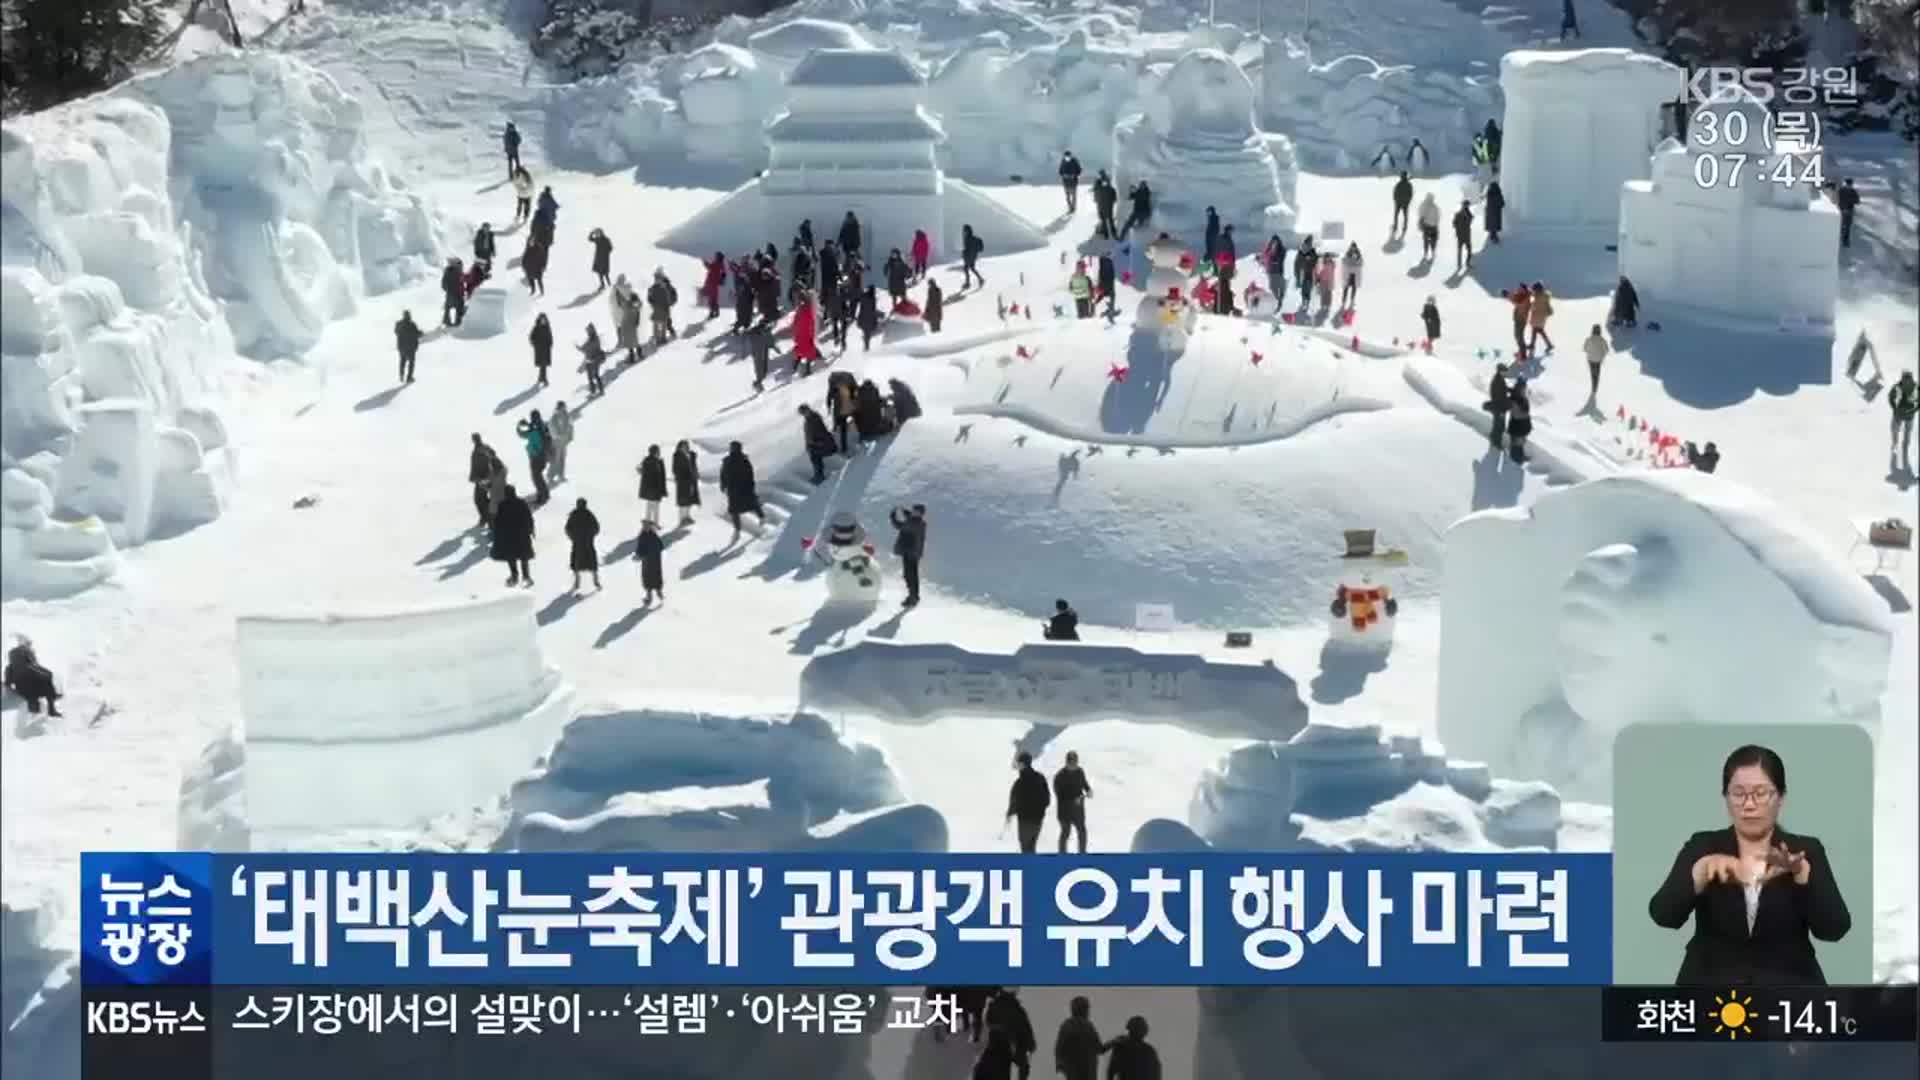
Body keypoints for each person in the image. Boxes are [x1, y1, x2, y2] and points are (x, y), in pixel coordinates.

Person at [1647, 745, 1851, 985]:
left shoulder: (1805, 850)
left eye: (1761, 793)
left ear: (1781, 798)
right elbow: (1663, 915)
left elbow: (1834, 930)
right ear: (1726, 797)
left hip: (1790, 996)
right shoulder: (1703, 846)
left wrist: (1802, 874)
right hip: (1710, 992)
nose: (1749, 804)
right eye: (1738, 793)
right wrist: (1701, 871)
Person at [983, 988, 1036, 1078]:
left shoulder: (993, 1006)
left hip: (996, 1043)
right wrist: (1031, 1045)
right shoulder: (1018, 1010)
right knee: (1023, 1065)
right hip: (1013, 1044)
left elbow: (988, 1021)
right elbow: (1025, 1029)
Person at [716, 441, 765, 537]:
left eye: (734, 447)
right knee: (736, 509)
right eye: (732, 447)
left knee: (751, 504)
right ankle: (737, 530)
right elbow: (723, 474)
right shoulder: (728, 460)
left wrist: (751, 486)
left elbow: (750, 475)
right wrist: (723, 485)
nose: (732, 449)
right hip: (733, 488)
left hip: (743, 488)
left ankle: (762, 518)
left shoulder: (743, 460)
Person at [4, 636, 61, 717]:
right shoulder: (29, 663)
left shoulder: (9, 668)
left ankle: (38, 709)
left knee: (33, 702)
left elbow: (8, 683)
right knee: (47, 683)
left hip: (22, 692)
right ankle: (51, 709)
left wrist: (14, 691)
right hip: (34, 690)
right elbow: (46, 674)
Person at [491, 484, 535, 587]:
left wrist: (497, 535)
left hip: (508, 536)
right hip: (522, 535)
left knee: (511, 557)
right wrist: (530, 529)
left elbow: (498, 522)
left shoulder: (502, 505)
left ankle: (514, 575)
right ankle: (526, 576)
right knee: (523, 556)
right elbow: (528, 517)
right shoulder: (521, 503)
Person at [1007, 750, 1050, 853]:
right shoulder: (1040, 777)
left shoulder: (1020, 782)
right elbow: (1047, 798)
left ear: (1022, 764)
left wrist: (1010, 813)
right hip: (1038, 819)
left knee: (1025, 848)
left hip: (1025, 819)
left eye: (1019, 763)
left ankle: (1029, 868)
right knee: (1032, 846)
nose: (1017, 765)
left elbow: (1015, 800)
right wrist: (1041, 810)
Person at [1053, 996, 1103, 1080]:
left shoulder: (1070, 1025)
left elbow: (1059, 1048)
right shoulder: (1086, 1026)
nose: (1088, 1011)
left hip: (1081, 1071)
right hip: (1081, 1071)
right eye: (1086, 1008)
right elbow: (1100, 1049)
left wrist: (1059, 1062)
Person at [1053, 750, 1092, 854]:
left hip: (1078, 810)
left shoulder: (1080, 772)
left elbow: (1084, 784)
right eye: (1071, 763)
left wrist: (1088, 790)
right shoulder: (1060, 776)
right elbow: (1060, 795)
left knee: (1082, 831)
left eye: (1075, 762)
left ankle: (1082, 853)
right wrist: (1074, 800)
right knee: (1066, 832)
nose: (1074, 765)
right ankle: (1062, 855)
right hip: (1064, 810)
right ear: (1067, 763)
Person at [889, 503, 926, 607]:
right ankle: (914, 596)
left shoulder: (916, 523)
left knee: (910, 575)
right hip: (910, 551)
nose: (912, 511)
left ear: (919, 513)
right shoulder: (917, 521)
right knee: (910, 574)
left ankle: (912, 597)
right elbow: (909, 517)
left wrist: (893, 515)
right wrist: (903, 510)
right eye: (913, 510)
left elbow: (899, 525)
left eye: (915, 510)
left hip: (912, 552)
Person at [564, 497, 601, 591]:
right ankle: (595, 581)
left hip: (578, 543)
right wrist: (590, 536)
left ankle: (577, 582)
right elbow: (596, 528)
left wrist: (573, 537)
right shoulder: (589, 515)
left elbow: (567, 529)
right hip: (588, 543)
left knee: (577, 563)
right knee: (592, 562)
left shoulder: (574, 514)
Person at [516, 410, 551, 505]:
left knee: (536, 478)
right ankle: (545, 494)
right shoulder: (542, 426)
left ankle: (542, 496)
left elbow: (522, 434)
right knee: (538, 477)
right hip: (543, 456)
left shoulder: (534, 430)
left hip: (536, 457)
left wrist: (518, 426)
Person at [799, 404, 838, 484]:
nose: (803, 415)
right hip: (816, 443)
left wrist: (815, 442)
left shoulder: (813, 419)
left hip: (819, 443)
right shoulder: (811, 418)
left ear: (807, 410)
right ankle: (819, 475)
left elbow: (818, 432)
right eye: (802, 413)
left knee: (816, 458)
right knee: (815, 459)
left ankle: (819, 476)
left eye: (803, 412)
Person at [468, 433, 497, 527]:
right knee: (482, 499)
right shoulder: (485, 447)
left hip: (483, 479)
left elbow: (475, 467)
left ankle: (487, 518)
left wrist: (474, 478)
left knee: (479, 500)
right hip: (488, 477)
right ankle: (486, 517)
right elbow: (493, 455)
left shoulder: (477, 452)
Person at [635, 518, 666, 605]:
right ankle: (651, 595)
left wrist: (640, 554)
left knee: (652, 577)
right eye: (644, 526)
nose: (645, 527)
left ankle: (657, 594)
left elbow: (660, 546)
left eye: (646, 525)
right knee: (650, 577)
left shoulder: (649, 536)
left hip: (652, 560)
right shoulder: (647, 535)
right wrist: (639, 554)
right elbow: (640, 547)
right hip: (651, 560)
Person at [1891, 370, 1918, 466]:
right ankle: (1896, 443)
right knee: (1896, 429)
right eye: (1905, 378)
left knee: (1906, 430)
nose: (1906, 381)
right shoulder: (1897, 386)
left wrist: (1913, 410)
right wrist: (1894, 408)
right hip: (1900, 413)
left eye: (1908, 378)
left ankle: (1904, 444)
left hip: (1907, 414)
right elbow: (1890, 397)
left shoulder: (1916, 387)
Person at [637, 444, 667, 526]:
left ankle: (650, 521)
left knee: (651, 505)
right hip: (652, 488)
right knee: (653, 505)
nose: (659, 453)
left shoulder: (655, 461)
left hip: (653, 488)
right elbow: (644, 472)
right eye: (657, 451)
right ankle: (652, 522)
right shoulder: (651, 461)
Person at [647, 270, 678, 346]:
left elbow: (672, 296)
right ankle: (658, 338)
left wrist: (670, 303)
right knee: (657, 323)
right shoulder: (653, 287)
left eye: (658, 278)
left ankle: (663, 337)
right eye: (656, 278)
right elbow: (649, 297)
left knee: (664, 322)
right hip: (657, 308)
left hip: (664, 308)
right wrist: (652, 303)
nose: (656, 279)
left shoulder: (666, 287)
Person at [1506, 380, 1533, 464]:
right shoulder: (1515, 399)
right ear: (1519, 388)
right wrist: (1525, 416)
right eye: (1523, 388)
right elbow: (1517, 414)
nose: (1524, 389)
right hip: (1517, 426)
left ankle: (1520, 457)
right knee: (1516, 445)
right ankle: (1516, 461)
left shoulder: (1520, 397)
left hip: (1521, 426)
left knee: (1520, 444)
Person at [1486, 362, 1512, 450]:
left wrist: (1511, 390)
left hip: (1500, 407)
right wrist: (1501, 411)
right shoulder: (1498, 381)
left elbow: (1504, 389)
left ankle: (1493, 437)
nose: (1506, 373)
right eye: (1505, 371)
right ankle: (1496, 442)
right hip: (1499, 407)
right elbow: (1498, 397)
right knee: (1499, 426)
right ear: (1500, 371)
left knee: (1498, 425)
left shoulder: (1499, 379)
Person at [547, 400, 573, 485]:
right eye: (562, 407)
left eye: (564, 407)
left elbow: (570, 427)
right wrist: (556, 436)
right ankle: (550, 477)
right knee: (555, 460)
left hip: (564, 442)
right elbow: (551, 428)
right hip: (556, 442)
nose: (563, 409)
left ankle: (561, 475)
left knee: (562, 459)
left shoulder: (567, 416)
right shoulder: (554, 417)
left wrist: (570, 436)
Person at [578, 324, 607, 397]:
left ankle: (594, 391)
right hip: (594, 360)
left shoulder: (592, 339)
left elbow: (585, 348)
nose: (587, 332)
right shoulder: (594, 338)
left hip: (592, 360)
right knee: (595, 376)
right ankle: (600, 390)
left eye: (588, 330)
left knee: (592, 377)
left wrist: (579, 348)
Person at [393, 309, 422, 383]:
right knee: (411, 363)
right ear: (409, 316)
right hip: (411, 347)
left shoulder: (398, 324)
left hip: (401, 347)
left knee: (402, 361)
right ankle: (409, 377)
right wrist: (420, 333)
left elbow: (396, 332)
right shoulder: (412, 324)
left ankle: (401, 375)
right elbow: (416, 334)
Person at [1528, 281, 1556, 354]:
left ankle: (1534, 345)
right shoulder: (1542, 296)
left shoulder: (1540, 297)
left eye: (1535, 289)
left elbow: (1535, 306)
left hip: (1538, 316)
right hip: (1541, 316)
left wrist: (1531, 305)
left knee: (1536, 330)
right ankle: (1535, 345)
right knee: (1538, 330)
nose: (1534, 291)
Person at [1507, 283, 1533, 358]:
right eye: (1519, 288)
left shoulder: (1526, 298)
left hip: (1521, 320)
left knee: (1519, 337)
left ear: (1524, 290)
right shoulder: (1521, 295)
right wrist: (1507, 294)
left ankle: (1523, 355)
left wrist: (1508, 296)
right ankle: (1521, 352)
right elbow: (1514, 297)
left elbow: (1518, 304)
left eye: (1520, 289)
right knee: (1517, 336)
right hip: (1518, 319)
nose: (1518, 289)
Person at [1093, 170, 1119, 238]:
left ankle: (1106, 234)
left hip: (1101, 202)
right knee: (1110, 219)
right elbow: (1113, 191)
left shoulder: (1098, 182)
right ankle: (1114, 233)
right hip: (1108, 203)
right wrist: (1113, 200)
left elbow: (1096, 191)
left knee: (1103, 218)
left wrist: (1096, 199)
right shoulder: (1107, 181)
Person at [1583, 324, 1608, 396]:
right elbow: (1606, 349)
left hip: (1590, 359)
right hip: (1598, 359)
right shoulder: (1602, 340)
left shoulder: (1588, 339)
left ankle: (1593, 385)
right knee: (1597, 373)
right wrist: (1602, 353)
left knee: (1592, 372)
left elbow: (1585, 348)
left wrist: (1589, 351)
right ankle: (1595, 387)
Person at [440, 257, 466, 326]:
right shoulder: (457, 272)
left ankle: (447, 321)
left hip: (451, 294)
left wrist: (448, 290)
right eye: (459, 264)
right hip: (456, 295)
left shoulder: (447, 271)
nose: (461, 265)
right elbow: (461, 284)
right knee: (459, 308)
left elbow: (443, 284)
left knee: (448, 307)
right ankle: (458, 322)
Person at [1835, 178, 1860, 247]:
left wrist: (1851, 201)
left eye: (1850, 184)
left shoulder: (1853, 191)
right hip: (1842, 210)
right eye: (1848, 184)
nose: (1849, 186)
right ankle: (1840, 238)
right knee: (1842, 225)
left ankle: (1845, 240)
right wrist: (1843, 207)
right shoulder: (1841, 190)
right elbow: (1838, 199)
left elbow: (1857, 201)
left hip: (1849, 210)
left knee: (1848, 226)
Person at [1416, 192, 1441, 261]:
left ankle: (1426, 254)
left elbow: (1420, 214)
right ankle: (1431, 253)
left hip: (1427, 226)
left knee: (1426, 241)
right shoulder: (1434, 206)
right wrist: (1435, 223)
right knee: (1433, 240)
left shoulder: (1424, 205)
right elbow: (1438, 216)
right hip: (1433, 226)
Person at [1339, 242, 1363, 310]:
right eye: (1352, 247)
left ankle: (1352, 301)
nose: (1353, 248)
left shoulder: (1358, 254)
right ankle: (1343, 302)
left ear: (1356, 247)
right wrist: (1349, 260)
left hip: (1355, 274)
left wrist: (1356, 261)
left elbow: (1361, 263)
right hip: (1348, 274)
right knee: (1346, 289)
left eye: (1354, 247)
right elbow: (1343, 261)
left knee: (1354, 288)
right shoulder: (1347, 253)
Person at [1451, 200, 1475, 269]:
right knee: (1464, 249)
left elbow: (1454, 224)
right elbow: (1454, 224)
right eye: (1466, 205)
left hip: (1464, 234)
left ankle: (1464, 263)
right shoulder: (1459, 213)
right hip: (1463, 234)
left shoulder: (1467, 213)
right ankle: (1462, 264)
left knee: (1466, 249)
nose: (1467, 206)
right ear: (1463, 205)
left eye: (1468, 205)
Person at [960, 225, 985, 290]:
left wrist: (964, 253)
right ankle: (980, 279)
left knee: (966, 269)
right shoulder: (972, 238)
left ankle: (968, 283)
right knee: (972, 268)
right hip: (973, 256)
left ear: (967, 231)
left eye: (964, 230)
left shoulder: (968, 239)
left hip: (969, 257)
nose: (963, 232)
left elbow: (968, 248)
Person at [857, 285, 880, 352]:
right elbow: (874, 309)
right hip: (870, 316)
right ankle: (867, 345)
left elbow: (861, 308)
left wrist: (859, 317)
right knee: (868, 332)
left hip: (863, 316)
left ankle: (866, 345)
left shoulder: (863, 297)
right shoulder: (873, 298)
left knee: (865, 331)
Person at [1390, 171, 1414, 235]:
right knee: (1405, 215)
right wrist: (1408, 201)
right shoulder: (1409, 184)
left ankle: (1395, 226)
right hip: (1405, 203)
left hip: (1398, 202)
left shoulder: (1399, 184)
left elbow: (1395, 193)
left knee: (1396, 215)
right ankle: (1404, 227)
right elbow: (1411, 194)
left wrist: (1395, 200)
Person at [1096, 250, 1117, 319]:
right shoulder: (1105, 261)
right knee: (1109, 295)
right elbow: (1103, 272)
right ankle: (1109, 311)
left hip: (1107, 282)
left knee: (1110, 295)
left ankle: (1110, 311)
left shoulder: (1106, 261)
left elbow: (1110, 272)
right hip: (1106, 282)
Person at [1484, 179, 1506, 244]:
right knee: (1494, 225)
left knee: (1492, 225)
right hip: (1495, 212)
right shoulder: (1498, 194)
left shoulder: (1489, 193)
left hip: (1490, 212)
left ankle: (1492, 236)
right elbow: (1501, 203)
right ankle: (1494, 237)